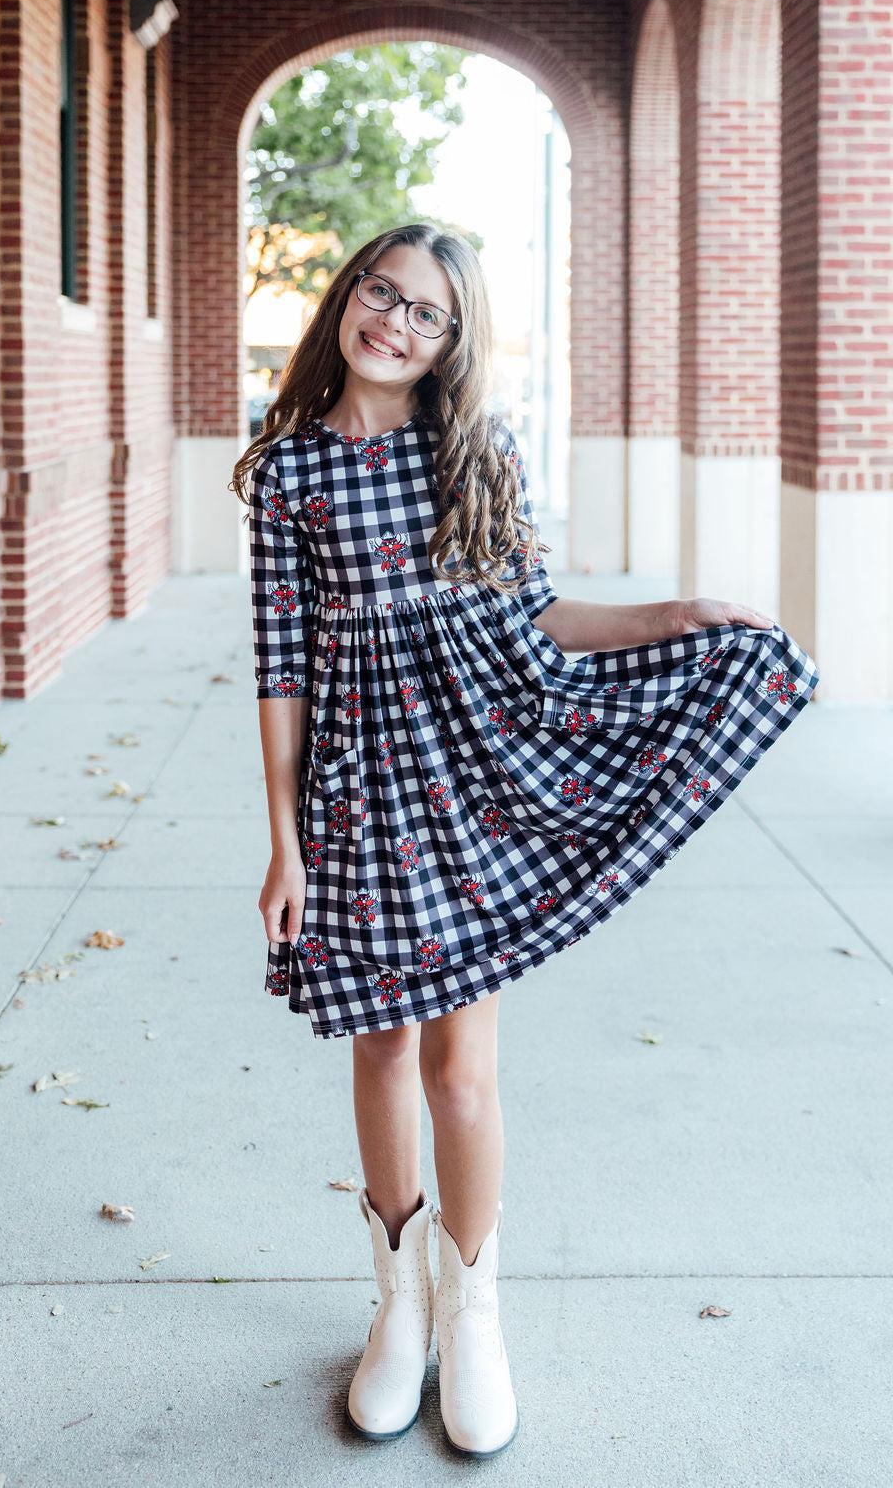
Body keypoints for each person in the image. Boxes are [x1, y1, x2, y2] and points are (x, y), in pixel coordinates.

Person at [229, 223, 820, 1457]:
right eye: (380, 293)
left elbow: (536, 610)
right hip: (358, 789)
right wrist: (282, 839)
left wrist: (674, 611)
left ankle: (475, 1312)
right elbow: (283, 666)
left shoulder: (470, 447)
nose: (394, 321)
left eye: (426, 312)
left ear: (451, 340)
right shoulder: (286, 470)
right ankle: (399, 1310)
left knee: (461, 1068)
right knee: (381, 1048)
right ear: (346, 297)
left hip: (475, 776)